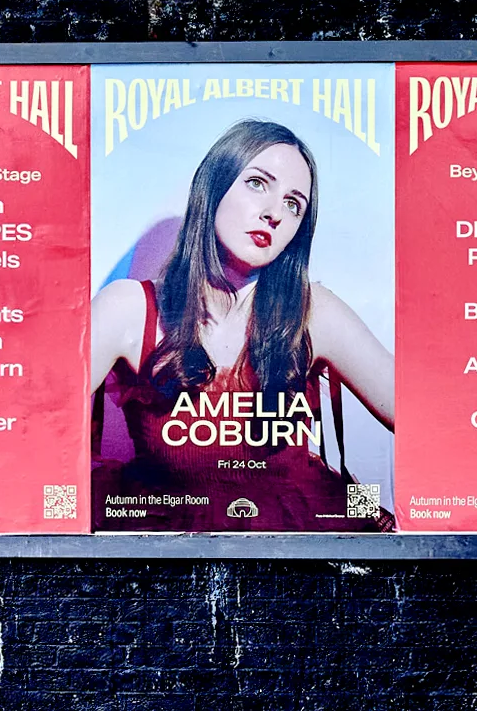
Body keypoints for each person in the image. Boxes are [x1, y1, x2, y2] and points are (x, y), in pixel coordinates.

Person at [88, 119, 394, 531]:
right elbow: (31, 421)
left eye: (293, 204)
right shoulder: (129, 307)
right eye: (257, 183)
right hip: (169, 541)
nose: (273, 213)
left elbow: (425, 417)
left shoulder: (312, 309)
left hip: (294, 539)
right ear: (213, 187)